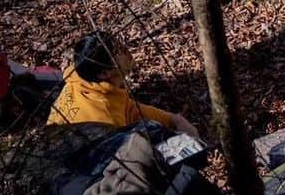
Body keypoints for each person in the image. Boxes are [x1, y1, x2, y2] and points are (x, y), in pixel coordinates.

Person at [47, 31, 200, 136]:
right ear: (104, 72)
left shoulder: (82, 82)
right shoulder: (103, 118)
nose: (127, 51)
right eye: (119, 51)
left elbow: (128, 108)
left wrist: (173, 119)